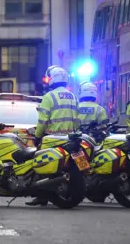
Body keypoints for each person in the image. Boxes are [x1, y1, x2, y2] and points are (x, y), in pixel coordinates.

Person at [27, 65, 79, 207]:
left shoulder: (49, 97)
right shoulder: (73, 97)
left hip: (53, 138)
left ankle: (41, 196)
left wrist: (37, 136)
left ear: (52, 80)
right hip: (71, 138)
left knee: (38, 162)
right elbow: (77, 119)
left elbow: (43, 121)